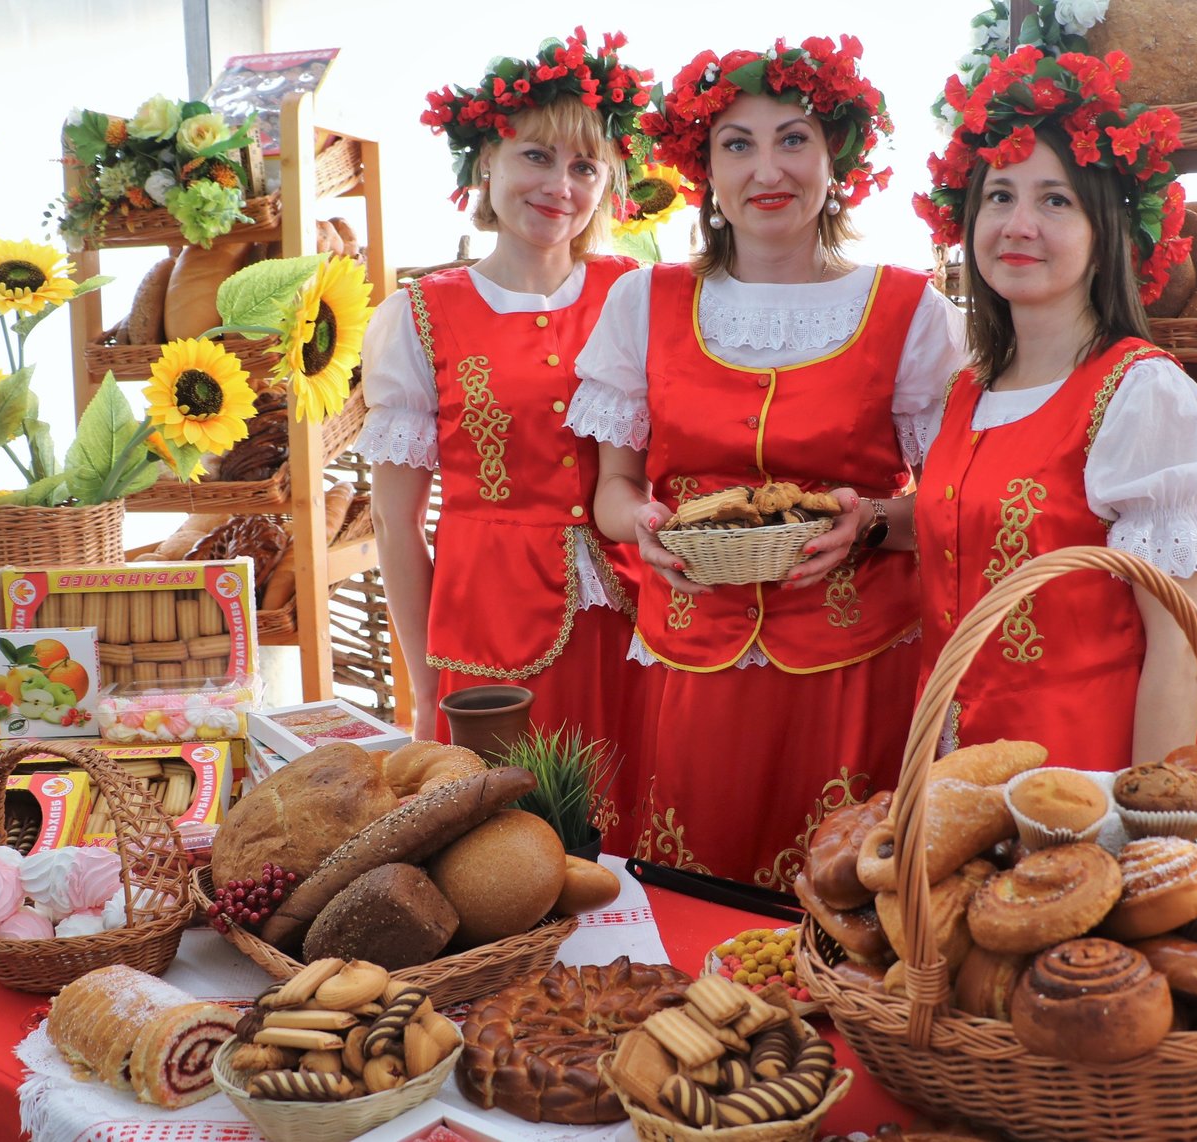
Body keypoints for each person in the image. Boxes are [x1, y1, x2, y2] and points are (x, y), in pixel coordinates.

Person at [567, 36, 966, 889]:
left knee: (847, 906)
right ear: (704, 170)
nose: (766, 169)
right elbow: (612, 489)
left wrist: (872, 524)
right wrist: (642, 526)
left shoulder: (910, 310)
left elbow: (953, 505)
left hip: (857, 666)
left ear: (837, 163)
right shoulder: (643, 301)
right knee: (695, 903)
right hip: (694, 662)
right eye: (736, 145)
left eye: (793, 139)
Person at [360, 30, 652, 843]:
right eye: (537, 157)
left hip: (631, 615)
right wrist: (422, 684)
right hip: (487, 627)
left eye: (584, 167)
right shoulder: (420, 316)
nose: (561, 185)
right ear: (486, 161)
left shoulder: (636, 295)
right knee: (509, 850)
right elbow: (395, 524)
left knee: (634, 828)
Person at [911, 44, 1197, 770]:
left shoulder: (1142, 396)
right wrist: (866, 519)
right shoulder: (966, 390)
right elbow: (976, 531)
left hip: (1085, 783)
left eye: (1054, 200)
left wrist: (1146, 832)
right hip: (957, 775)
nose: (1018, 224)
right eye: (1000, 196)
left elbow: (1179, 655)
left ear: (1103, 235)